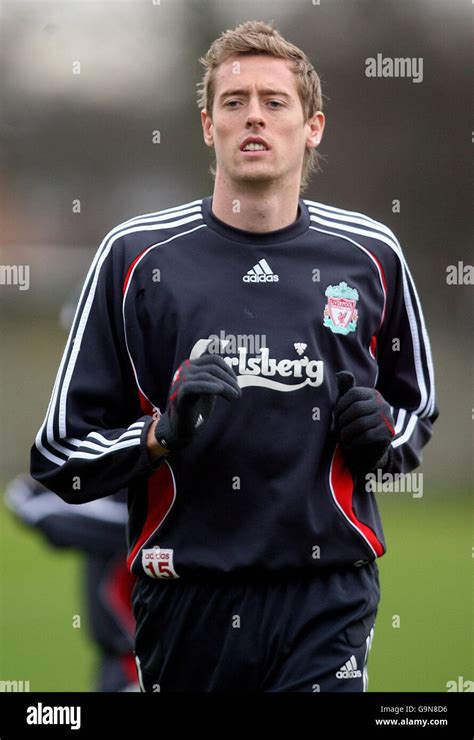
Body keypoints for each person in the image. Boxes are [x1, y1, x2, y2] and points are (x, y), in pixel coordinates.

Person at [30, 20, 438, 693]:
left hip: (326, 595)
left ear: (313, 127)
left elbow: (413, 408)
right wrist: (159, 436)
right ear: (206, 125)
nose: (254, 116)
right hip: (186, 597)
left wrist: (382, 437)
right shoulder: (135, 258)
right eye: (234, 101)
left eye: (275, 102)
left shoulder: (372, 254)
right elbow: (59, 457)